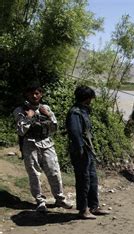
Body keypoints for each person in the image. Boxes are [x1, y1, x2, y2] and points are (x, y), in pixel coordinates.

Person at [13, 85, 73, 212]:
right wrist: (28, 118)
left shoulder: (45, 108)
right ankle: (40, 201)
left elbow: (54, 128)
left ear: (41, 94)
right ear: (26, 95)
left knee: (54, 171)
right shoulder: (20, 110)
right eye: (31, 94)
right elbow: (20, 131)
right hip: (30, 144)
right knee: (34, 174)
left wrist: (49, 116)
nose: (34, 96)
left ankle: (60, 199)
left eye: (37, 93)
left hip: (47, 142)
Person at [66, 85, 109, 219]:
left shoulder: (83, 111)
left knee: (92, 178)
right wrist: (80, 150)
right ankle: (83, 209)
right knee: (83, 180)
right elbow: (75, 133)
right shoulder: (75, 112)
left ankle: (94, 206)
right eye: (91, 98)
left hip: (87, 151)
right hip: (81, 151)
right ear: (87, 98)